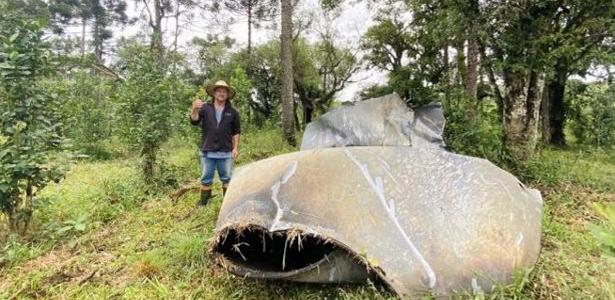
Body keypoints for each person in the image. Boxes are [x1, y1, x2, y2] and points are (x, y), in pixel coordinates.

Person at [190, 80, 241, 206]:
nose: (221, 93)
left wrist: (235, 148)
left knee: (227, 178)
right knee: (206, 178)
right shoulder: (205, 108)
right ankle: (204, 203)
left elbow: (236, 132)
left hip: (225, 151)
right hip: (207, 151)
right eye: (219, 91)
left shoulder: (233, 112)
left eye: (224, 91)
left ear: (227, 95)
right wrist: (194, 109)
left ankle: (227, 204)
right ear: (214, 93)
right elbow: (194, 121)